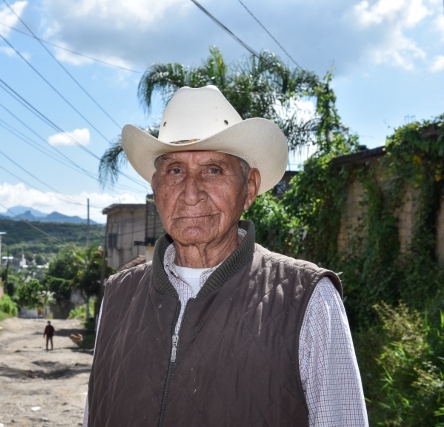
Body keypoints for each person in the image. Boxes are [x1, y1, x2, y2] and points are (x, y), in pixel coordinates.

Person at [84, 86, 368, 426]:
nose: (191, 193)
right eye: (174, 170)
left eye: (213, 170)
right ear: (156, 188)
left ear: (248, 189)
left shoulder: (307, 298)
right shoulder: (117, 296)